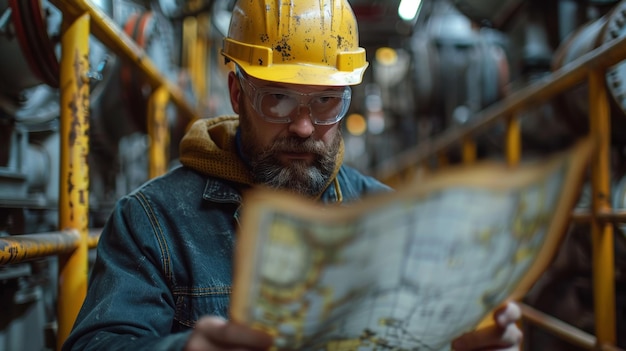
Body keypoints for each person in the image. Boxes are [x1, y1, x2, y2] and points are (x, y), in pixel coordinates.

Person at [62, 0, 523, 350]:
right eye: (278, 99)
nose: (304, 127)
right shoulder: (154, 222)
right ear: (238, 95)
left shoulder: (388, 218)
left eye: (325, 102)